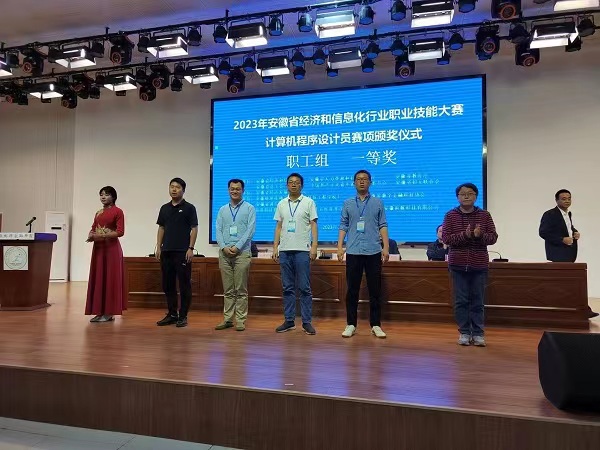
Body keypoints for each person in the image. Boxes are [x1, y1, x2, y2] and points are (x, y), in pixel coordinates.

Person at [442, 183, 497, 347]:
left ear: (476, 196)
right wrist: (465, 236)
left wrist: (480, 236)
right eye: (463, 194)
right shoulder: (450, 215)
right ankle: (464, 332)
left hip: (479, 265)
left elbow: (493, 238)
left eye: (470, 193)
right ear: (457, 197)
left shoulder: (484, 215)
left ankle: (478, 333)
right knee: (461, 301)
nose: (466, 196)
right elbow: (446, 238)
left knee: (478, 301)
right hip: (457, 265)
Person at [337, 169, 389, 339]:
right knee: (352, 290)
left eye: (365, 179)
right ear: (354, 183)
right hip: (353, 250)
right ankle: (351, 324)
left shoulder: (378, 203)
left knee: (375, 290)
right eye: (358, 179)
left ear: (370, 182)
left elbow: (383, 225)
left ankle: (376, 325)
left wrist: (386, 247)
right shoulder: (347, 203)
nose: (361, 181)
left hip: (373, 250)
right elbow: (343, 225)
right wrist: (339, 246)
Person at [539, 189, 598, 318]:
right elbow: (543, 232)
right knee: (569, 283)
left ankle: (576, 310)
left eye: (569, 198)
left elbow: (566, 228)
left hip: (569, 253)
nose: (567, 201)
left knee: (569, 283)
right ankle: (581, 310)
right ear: (557, 200)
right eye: (564, 199)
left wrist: (574, 232)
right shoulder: (550, 214)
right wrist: (562, 239)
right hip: (558, 254)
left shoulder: (567, 214)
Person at [272, 173, 318, 335]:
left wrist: (314, 246)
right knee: (287, 287)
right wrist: (275, 247)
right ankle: (289, 320)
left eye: (297, 182)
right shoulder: (281, 203)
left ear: (301, 185)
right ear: (286, 185)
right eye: (290, 182)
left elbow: (313, 224)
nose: (293, 184)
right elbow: (279, 227)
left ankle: (306, 322)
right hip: (285, 250)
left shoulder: (308, 202)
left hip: (302, 250)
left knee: (304, 287)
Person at [155, 178, 198, 328]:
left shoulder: (189, 208)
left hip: (182, 252)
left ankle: (183, 315)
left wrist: (191, 248)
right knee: (168, 284)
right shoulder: (164, 208)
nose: (174, 189)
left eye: (177, 187)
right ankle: (172, 314)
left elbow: (194, 228)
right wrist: (158, 247)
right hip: (166, 251)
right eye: (172, 187)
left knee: (184, 285)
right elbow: (161, 228)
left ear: (183, 190)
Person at [215, 179, 256, 331]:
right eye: (232, 189)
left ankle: (240, 320)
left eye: (238, 189)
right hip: (224, 253)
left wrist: (237, 247)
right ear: (228, 190)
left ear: (243, 190)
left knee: (241, 289)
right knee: (228, 290)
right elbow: (218, 230)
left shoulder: (249, 208)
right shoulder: (222, 210)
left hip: (242, 253)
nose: (235, 191)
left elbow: (250, 231)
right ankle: (227, 319)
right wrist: (223, 247)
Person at [85, 186, 126, 322]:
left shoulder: (118, 211)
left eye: (107, 194)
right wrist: (91, 235)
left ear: (113, 197)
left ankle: (109, 312)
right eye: (101, 194)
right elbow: (93, 228)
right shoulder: (98, 212)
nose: (103, 197)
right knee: (99, 278)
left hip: (111, 249)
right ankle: (99, 311)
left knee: (110, 279)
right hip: (99, 249)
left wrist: (103, 235)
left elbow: (120, 232)